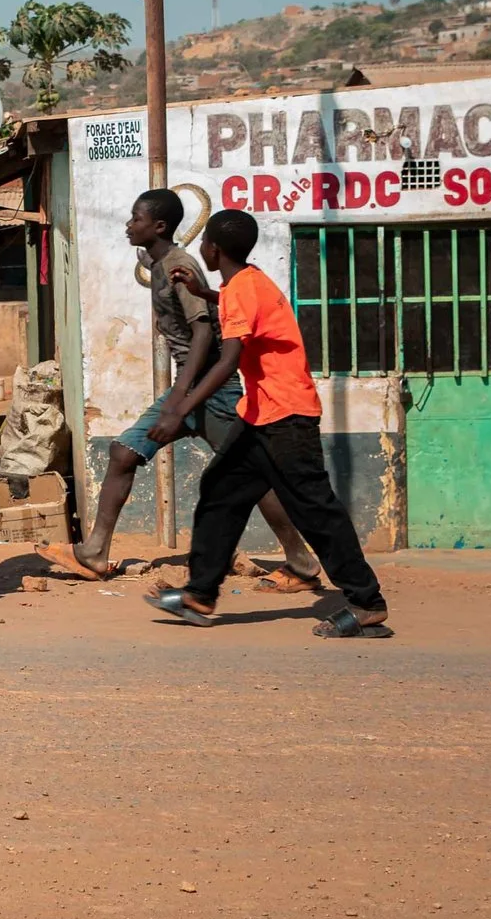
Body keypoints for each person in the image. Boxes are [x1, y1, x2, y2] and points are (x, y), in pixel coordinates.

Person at [39, 187, 327, 592]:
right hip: (189, 386)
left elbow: (205, 332)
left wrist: (178, 401)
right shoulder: (161, 262)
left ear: (159, 226)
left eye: (136, 219)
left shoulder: (178, 262)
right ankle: (95, 552)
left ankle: (300, 559)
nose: (128, 225)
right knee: (123, 452)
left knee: (254, 476)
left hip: (213, 390)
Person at [145, 208, 393, 639]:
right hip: (261, 415)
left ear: (213, 249)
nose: (200, 247)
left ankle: (366, 602)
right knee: (221, 490)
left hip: (286, 417)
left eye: (203, 240)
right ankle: (199, 594)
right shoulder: (248, 282)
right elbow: (241, 310)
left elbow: (227, 361)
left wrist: (178, 409)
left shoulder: (244, 288)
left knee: (315, 509)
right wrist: (204, 292)